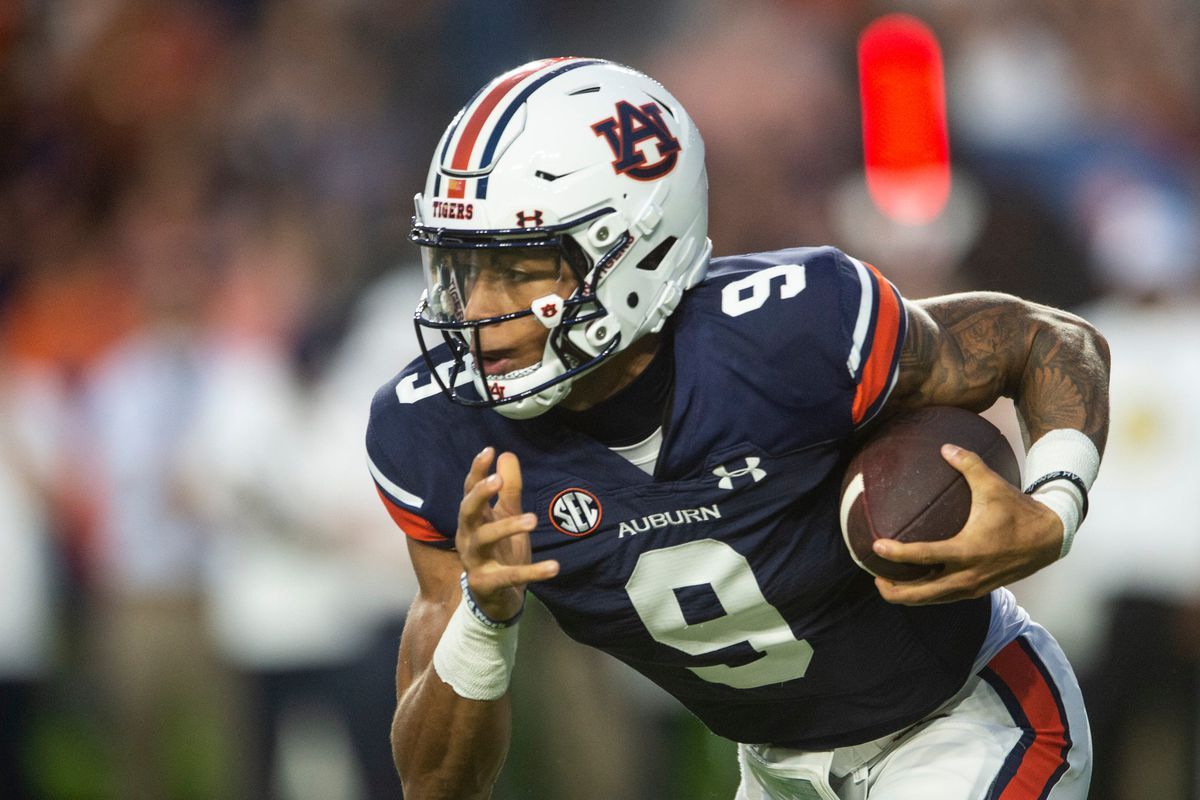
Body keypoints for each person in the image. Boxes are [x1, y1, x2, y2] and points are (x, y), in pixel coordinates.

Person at [365, 58, 1110, 800]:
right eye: (462, 266)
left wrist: (1057, 504)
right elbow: (434, 786)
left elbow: (1043, 339)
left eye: (520, 266)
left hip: (964, 723)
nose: (476, 312)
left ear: (637, 248)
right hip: (776, 772)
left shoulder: (790, 330)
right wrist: (484, 617)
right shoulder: (438, 431)